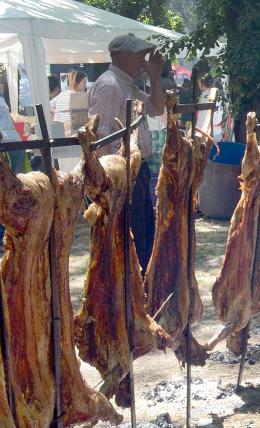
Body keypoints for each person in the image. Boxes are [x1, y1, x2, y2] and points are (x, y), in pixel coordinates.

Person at [88, 33, 166, 273]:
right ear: (121, 55)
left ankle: (140, 286)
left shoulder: (127, 84)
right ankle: (130, 287)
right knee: (126, 236)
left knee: (142, 232)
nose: (143, 59)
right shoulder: (109, 84)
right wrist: (108, 182)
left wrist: (154, 76)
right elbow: (99, 135)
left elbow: (156, 108)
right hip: (120, 175)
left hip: (136, 170)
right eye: (138, 54)